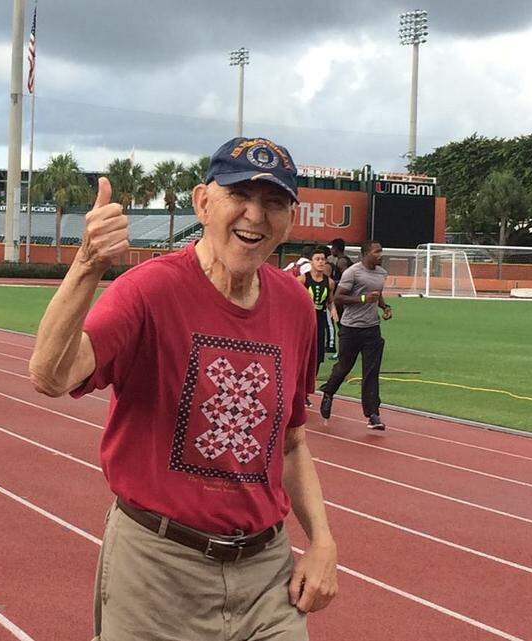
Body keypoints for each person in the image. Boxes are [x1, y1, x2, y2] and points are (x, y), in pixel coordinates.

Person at [29, 137, 337, 641]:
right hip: (158, 568)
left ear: (289, 218)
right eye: (240, 195)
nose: (255, 216)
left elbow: (291, 440)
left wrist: (322, 542)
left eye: (274, 203)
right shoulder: (148, 290)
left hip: (266, 575)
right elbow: (50, 375)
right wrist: (88, 263)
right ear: (202, 201)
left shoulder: (295, 305)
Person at [319, 240, 392, 430]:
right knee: (344, 367)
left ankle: (373, 414)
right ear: (366, 253)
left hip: (372, 329)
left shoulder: (381, 273)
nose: (380, 255)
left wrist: (385, 307)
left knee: (371, 372)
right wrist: (362, 299)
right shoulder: (353, 272)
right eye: (377, 251)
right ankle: (328, 392)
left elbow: (377, 294)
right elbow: (338, 298)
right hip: (351, 328)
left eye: (381, 251)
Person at [299, 246, 338, 395]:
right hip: (305, 321)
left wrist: (333, 309)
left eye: (323, 259)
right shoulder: (303, 279)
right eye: (317, 259)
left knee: (317, 355)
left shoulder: (330, 283)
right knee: (304, 354)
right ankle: (299, 387)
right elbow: (293, 295)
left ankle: (307, 390)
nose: (321, 262)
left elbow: (330, 300)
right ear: (311, 262)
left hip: (320, 320)